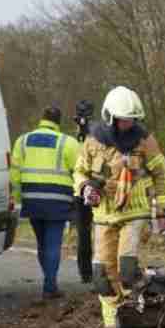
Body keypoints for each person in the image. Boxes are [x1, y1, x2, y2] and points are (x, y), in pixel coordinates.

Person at [72, 86, 165, 328]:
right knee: (102, 274)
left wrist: (164, 211)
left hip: (134, 212)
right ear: (111, 117)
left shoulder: (145, 141)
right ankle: (114, 325)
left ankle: (140, 318)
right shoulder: (93, 141)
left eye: (132, 119)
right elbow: (80, 172)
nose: (128, 124)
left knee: (127, 269)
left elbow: (162, 176)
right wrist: (85, 188)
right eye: (124, 119)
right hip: (104, 215)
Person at [10, 106, 81, 299]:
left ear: (42, 119)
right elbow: (80, 171)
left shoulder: (22, 141)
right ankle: (50, 286)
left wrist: (17, 199)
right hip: (57, 201)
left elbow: (14, 173)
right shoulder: (68, 143)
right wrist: (78, 200)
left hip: (32, 200)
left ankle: (50, 282)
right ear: (59, 122)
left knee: (42, 244)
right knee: (52, 245)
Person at [72, 99, 96, 284]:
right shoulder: (97, 134)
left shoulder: (77, 139)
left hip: (82, 189)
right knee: (88, 232)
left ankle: (86, 272)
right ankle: (88, 271)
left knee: (84, 232)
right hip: (91, 187)